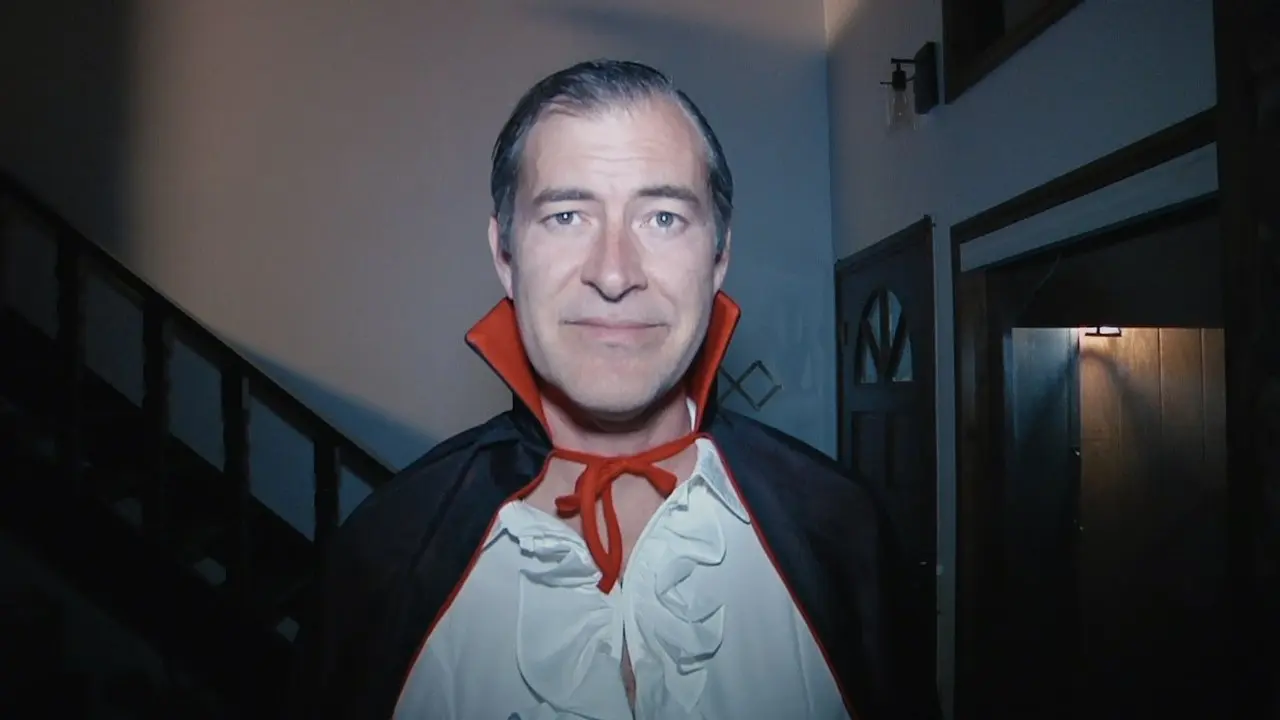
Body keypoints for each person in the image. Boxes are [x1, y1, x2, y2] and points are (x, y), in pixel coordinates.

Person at [288, 59, 933, 720]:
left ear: (719, 257)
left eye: (663, 218)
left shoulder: (842, 533)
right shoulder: (385, 556)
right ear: (505, 255)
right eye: (567, 215)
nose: (616, 274)